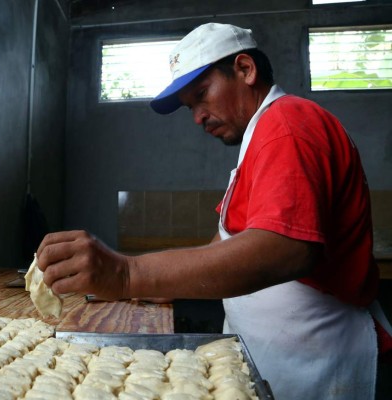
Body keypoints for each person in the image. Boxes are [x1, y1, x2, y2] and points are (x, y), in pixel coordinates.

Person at [36, 23, 391, 399]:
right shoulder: (260, 139)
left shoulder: (288, 124)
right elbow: (224, 243)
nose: (197, 117)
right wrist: (159, 281)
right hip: (277, 360)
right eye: (191, 107)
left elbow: (287, 248)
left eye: (203, 95)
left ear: (245, 69)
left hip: (321, 365)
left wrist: (126, 273)